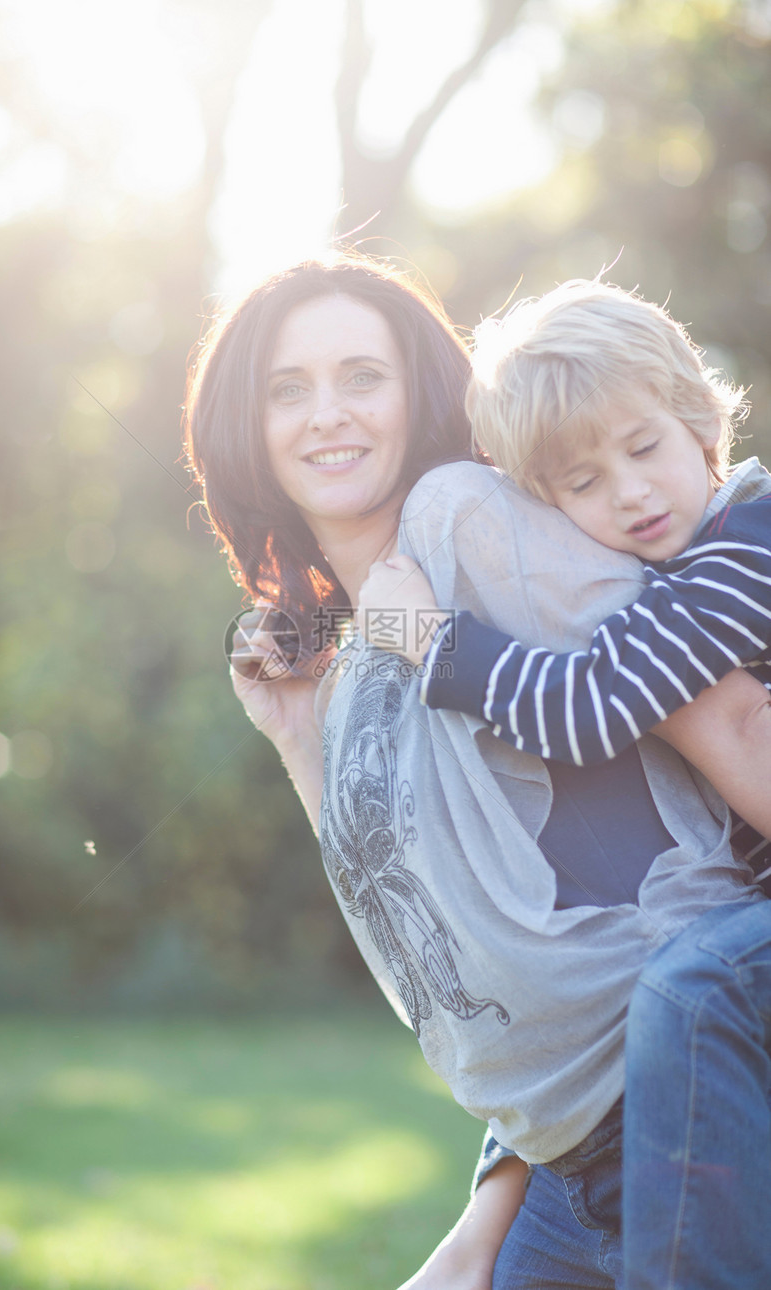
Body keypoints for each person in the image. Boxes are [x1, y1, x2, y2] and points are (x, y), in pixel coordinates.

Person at [183, 253, 771, 1290]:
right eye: (289, 388)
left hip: (682, 1102)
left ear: (419, 391)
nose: (326, 414)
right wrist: (294, 735)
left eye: (360, 375)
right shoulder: (365, 645)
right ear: (246, 425)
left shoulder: (465, 518)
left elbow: (717, 711)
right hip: (562, 1169)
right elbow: (419, 920)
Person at [357, 277, 771, 1288]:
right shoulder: (688, 566)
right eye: (579, 484)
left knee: (693, 983)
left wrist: (425, 641)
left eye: (641, 449)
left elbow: (580, 708)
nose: (627, 493)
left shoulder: (736, 561)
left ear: (699, 423)